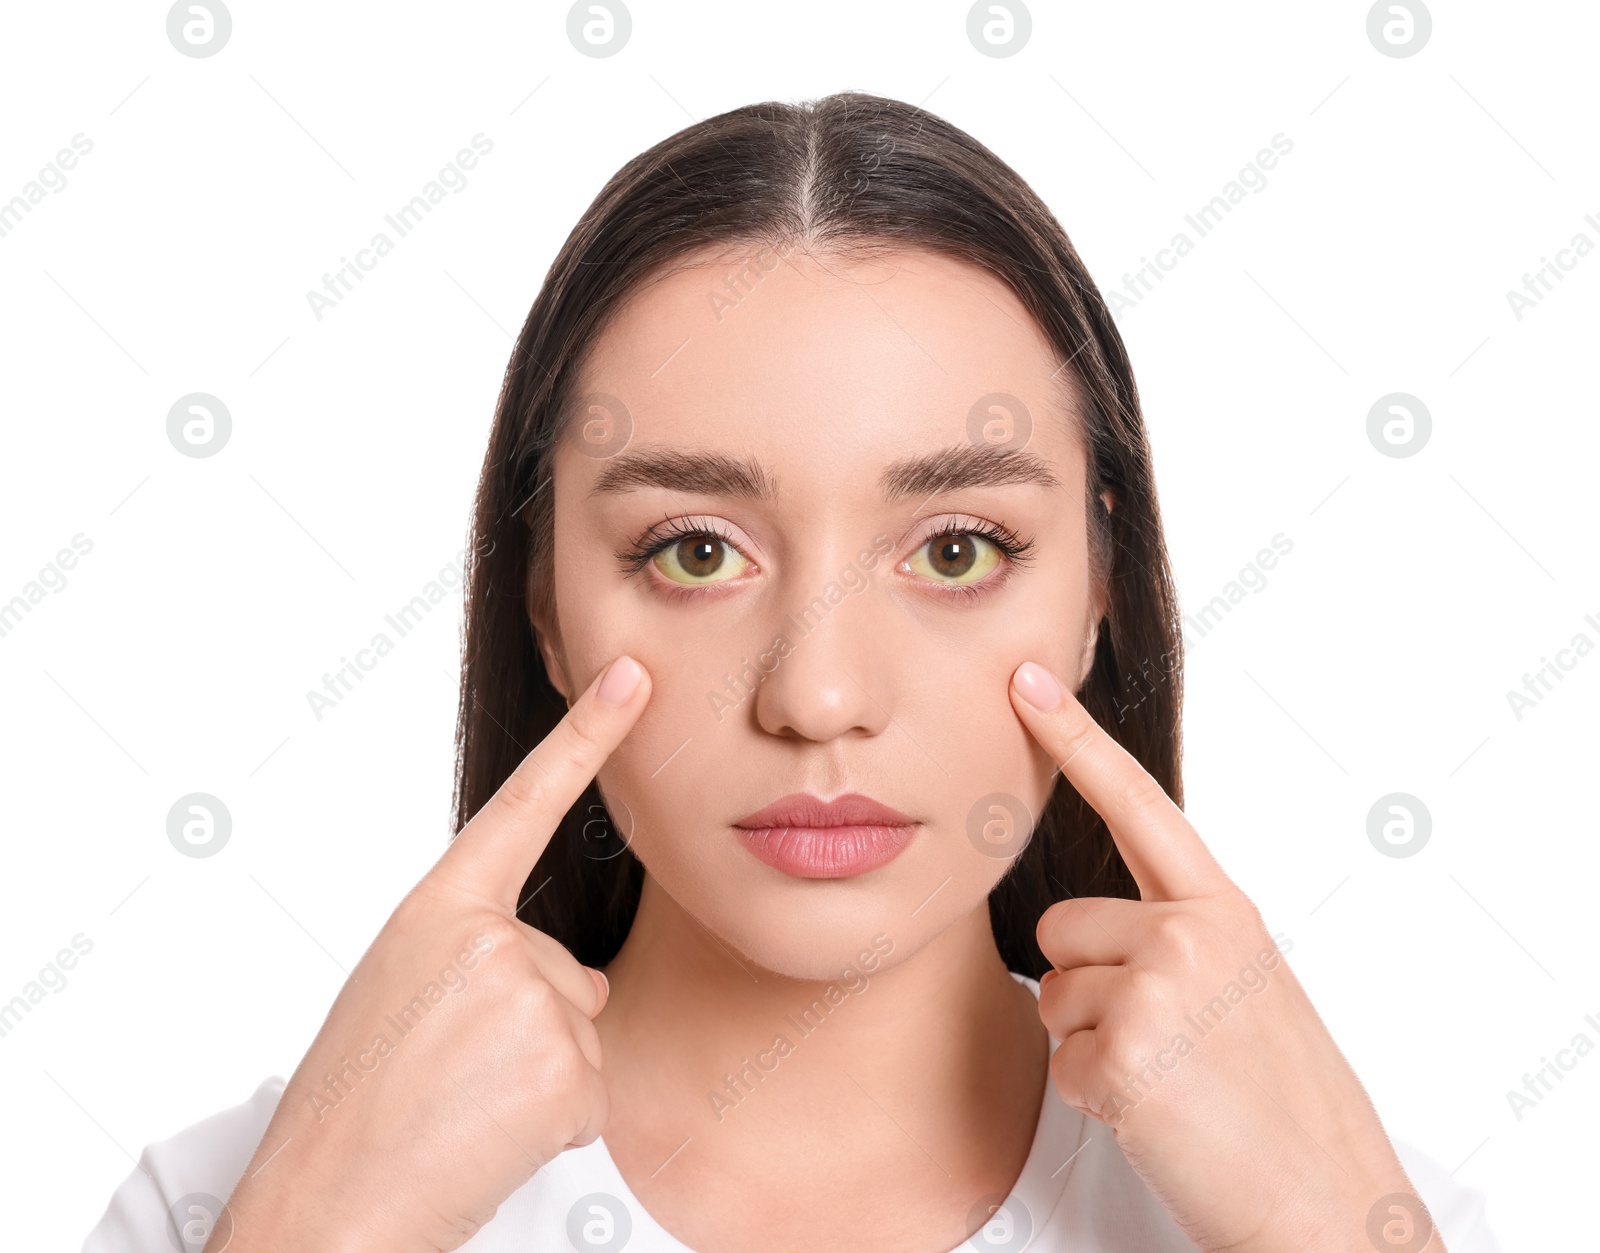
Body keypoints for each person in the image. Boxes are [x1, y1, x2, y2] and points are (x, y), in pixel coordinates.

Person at [84, 91, 1500, 1252]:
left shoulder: (1366, 1208)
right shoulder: (223, 1208)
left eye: (956, 550)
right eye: (695, 551)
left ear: (1100, 599)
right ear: (544, 605)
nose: (818, 696)